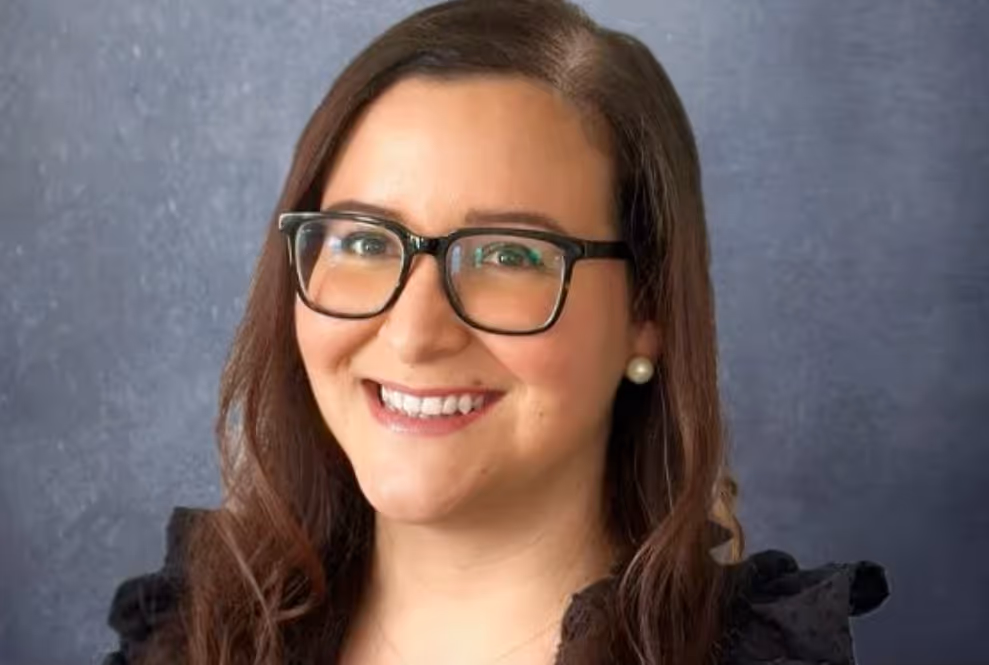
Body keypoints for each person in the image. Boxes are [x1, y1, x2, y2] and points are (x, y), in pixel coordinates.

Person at [102, 1, 889, 663]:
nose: (413, 332)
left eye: (509, 255)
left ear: (647, 316)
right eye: (366, 242)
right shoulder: (189, 638)